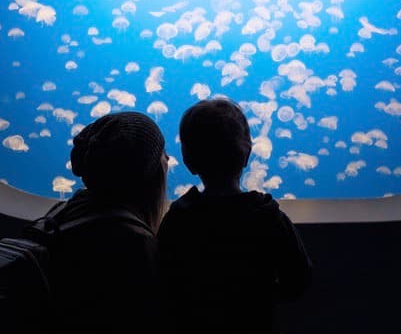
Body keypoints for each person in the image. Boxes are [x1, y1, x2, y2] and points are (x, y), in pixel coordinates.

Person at [158, 98, 312, 334]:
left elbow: (163, 282)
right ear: (247, 153)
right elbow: (298, 280)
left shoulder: (180, 218)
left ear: (188, 161)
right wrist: (260, 295)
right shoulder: (267, 216)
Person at [35, 111, 170, 333]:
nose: (168, 159)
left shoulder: (62, 213)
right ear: (146, 173)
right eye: (162, 153)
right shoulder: (135, 244)